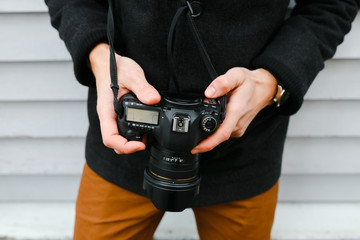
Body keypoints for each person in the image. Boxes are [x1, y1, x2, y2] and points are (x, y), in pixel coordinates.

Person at [45, 0, 359, 239]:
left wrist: (272, 80)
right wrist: (100, 56)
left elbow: (331, 5)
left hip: (247, 146)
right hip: (125, 144)